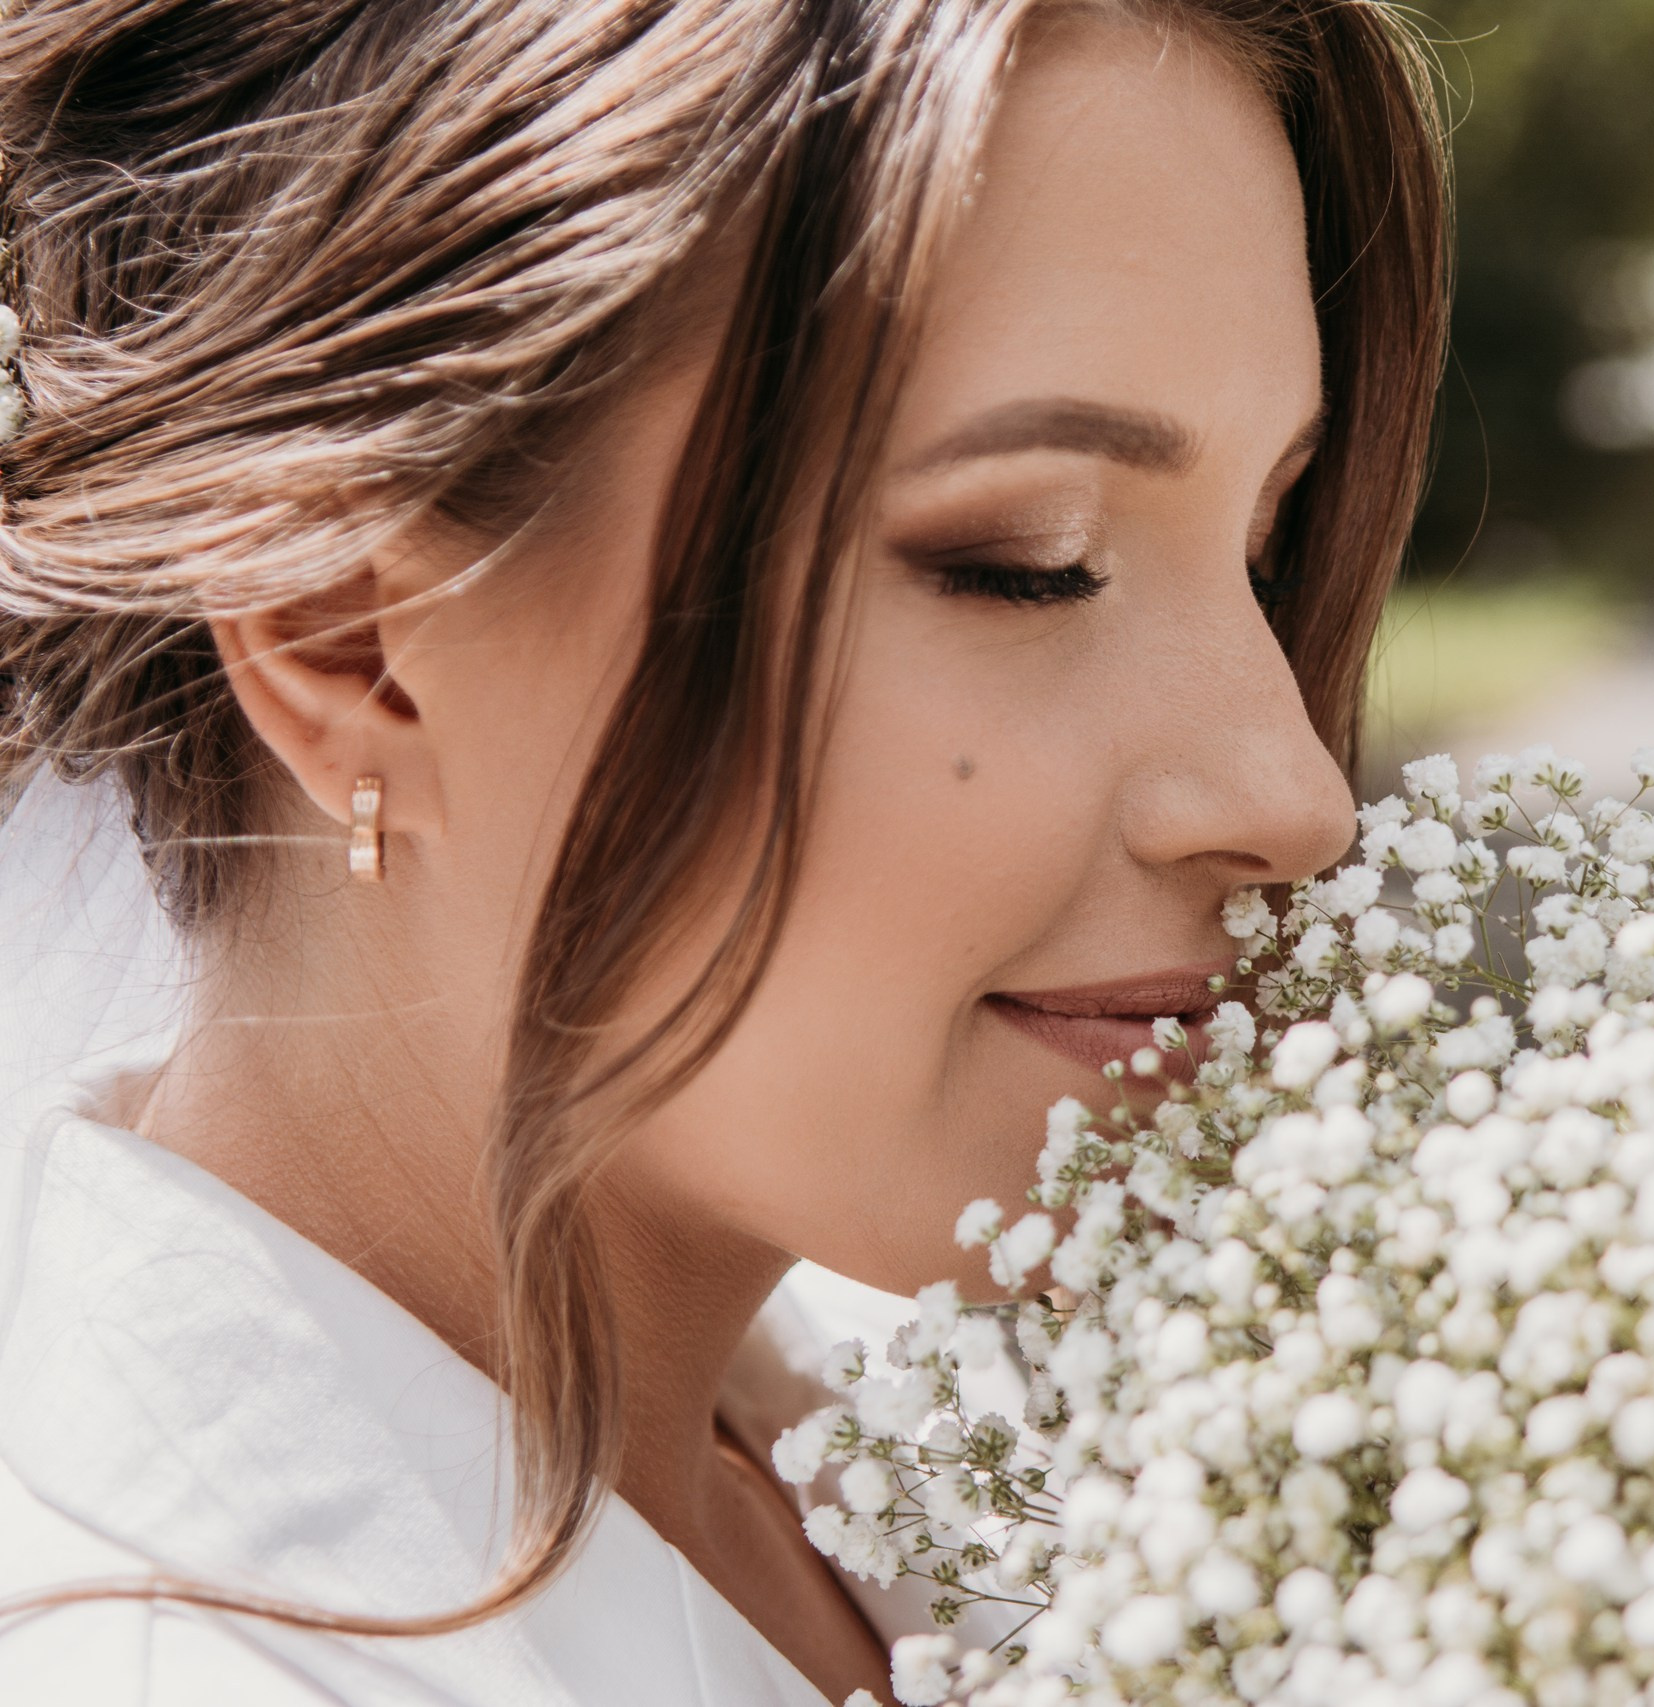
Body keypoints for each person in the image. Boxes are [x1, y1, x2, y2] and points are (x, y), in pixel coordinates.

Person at [0, 0, 1445, 1698]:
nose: (1296, 795)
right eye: (1025, 560)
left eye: (1266, 551)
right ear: (352, 645)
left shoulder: (930, 1418)